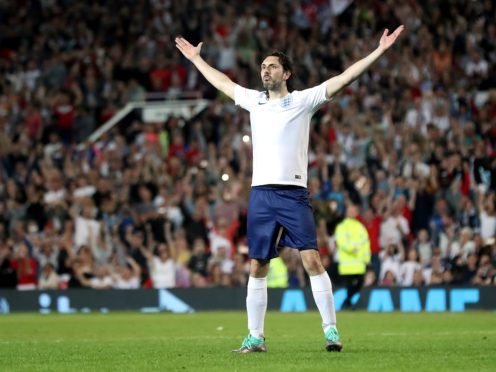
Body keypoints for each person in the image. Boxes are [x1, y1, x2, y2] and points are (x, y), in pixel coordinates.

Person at [175, 24, 404, 353]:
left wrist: (379, 51)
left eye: (271, 66)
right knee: (258, 264)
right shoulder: (254, 101)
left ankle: (331, 331)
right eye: (263, 66)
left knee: (312, 259)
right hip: (261, 195)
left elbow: (344, 78)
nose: (264, 70)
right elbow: (223, 82)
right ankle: (255, 337)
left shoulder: (303, 101)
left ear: (286, 73)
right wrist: (197, 60)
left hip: (293, 194)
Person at [334, 204, 371, 309]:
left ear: (356, 213)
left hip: (359, 264)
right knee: (350, 286)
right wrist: (352, 247)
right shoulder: (342, 227)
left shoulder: (360, 227)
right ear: (347, 212)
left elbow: (366, 244)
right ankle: (347, 303)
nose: (351, 213)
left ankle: (347, 302)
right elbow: (341, 242)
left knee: (359, 284)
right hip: (347, 264)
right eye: (350, 210)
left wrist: (367, 259)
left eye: (353, 211)